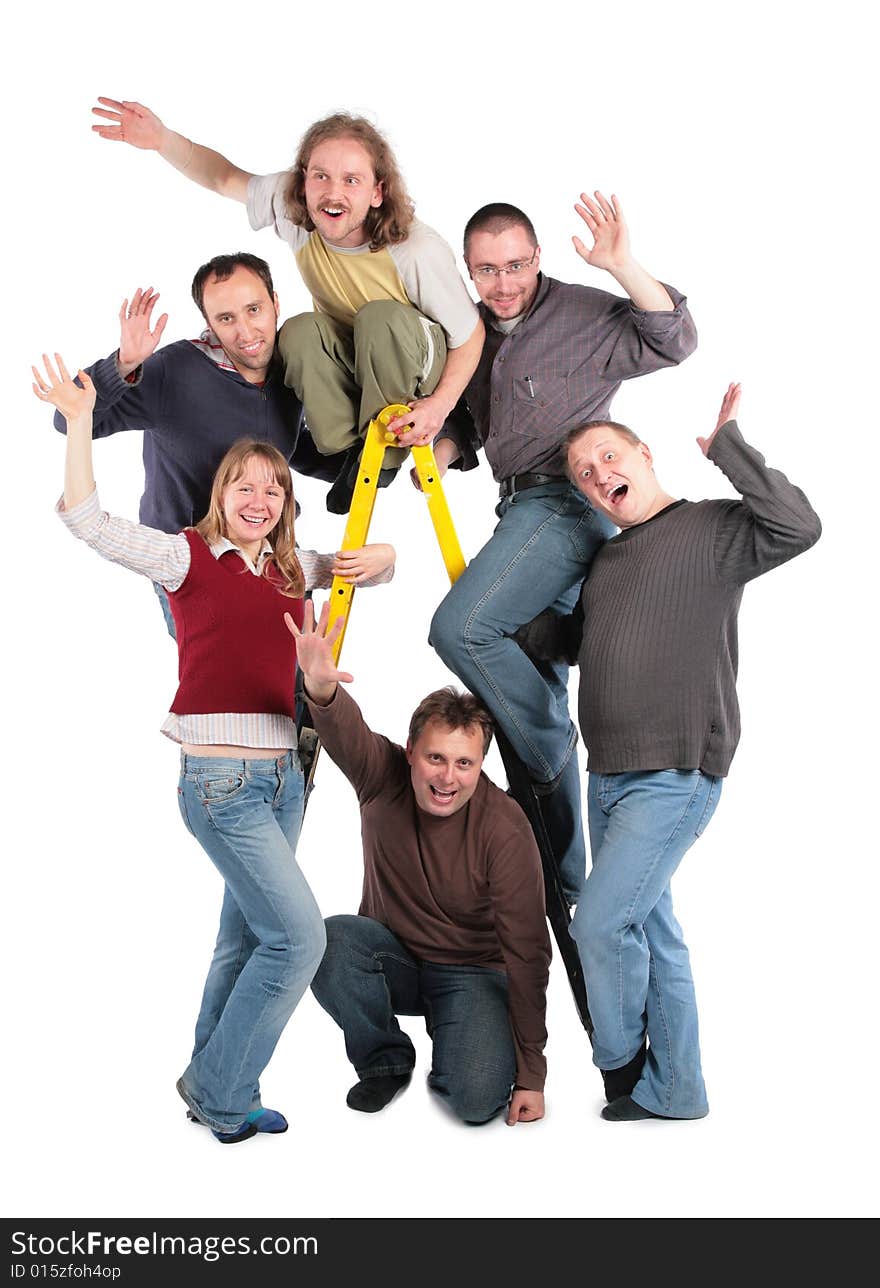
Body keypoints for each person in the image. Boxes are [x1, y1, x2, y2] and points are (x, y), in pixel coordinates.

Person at [35, 353, 396, 1144]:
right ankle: (219, 1090)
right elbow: (86, 520)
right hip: (221, 784)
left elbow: (369, 568)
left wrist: (387, 561)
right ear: (220, 497)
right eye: (245, 486)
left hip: (287, 782)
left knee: (247, 938)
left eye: (275, 488)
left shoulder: (294, 573)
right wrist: (84, 423)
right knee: (299, 940)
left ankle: (216, 1081)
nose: (261, 499)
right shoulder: (186, 558)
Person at [426, 194, 698, 905]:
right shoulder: (472, 333)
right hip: (516, 506)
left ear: (538, 257)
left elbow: (674, 338)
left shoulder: (581, 312)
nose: (505, 282)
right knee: (531, 652)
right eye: (488, 270)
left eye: (516, 264)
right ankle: (569, 887)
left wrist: (621, 264)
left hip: (567, 503)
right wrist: (434, 447)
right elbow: (470, 429)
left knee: (461, 629)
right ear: (470, 271)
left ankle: (545, 749)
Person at [561, 383, 821, 1120]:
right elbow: (582, 646)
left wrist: (731, 451)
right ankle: (678, 1089)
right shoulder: (607, 563)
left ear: (643, 456)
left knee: (601, 924)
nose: (597, 474)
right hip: (605, 776)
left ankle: (619, 1066)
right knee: (650, 931)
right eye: (583, 473)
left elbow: (800, 527)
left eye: (607, 456)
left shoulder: (712, 529)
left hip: (674, 772)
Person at [90, 98, 485, 511]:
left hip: (420, 364)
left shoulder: (414, 250)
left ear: (377, 192)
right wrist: (162, 140)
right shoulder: (296, 211)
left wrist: (439, 408)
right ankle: (349, 454)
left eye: (352, 180)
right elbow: (223, 177)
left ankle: (381, 459)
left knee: (378, 317)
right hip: (358, 361)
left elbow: (471, 334)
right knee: (296, 333)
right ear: (303, 182)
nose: (333, 192)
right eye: (321, 176)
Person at [285, 601, 551, 1126]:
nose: (447, 777)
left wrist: (531, 1075)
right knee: (326, 940)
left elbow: (528, 955)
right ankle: (385, 1059)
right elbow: (346, 732)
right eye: (435, 758)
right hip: (395, 960)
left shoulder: (504, 827)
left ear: (479, 766)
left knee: (476, 1102)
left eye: (464, 763)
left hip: (474, 974)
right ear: (410, 752)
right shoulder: (382, 775)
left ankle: (462, 1041)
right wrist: (319, 688)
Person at [53, 252, 348, 631]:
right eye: (226, 318)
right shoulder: (176, 371)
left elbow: (290, 449)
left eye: (254, 309)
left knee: (296, 677)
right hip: (192, 566)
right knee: (222, 680)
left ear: (275, 304)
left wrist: (372, 461)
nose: (245, 332)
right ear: (209, 323)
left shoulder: (289, 367)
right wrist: (124, 364)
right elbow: (70, 418)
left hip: (271, 555)